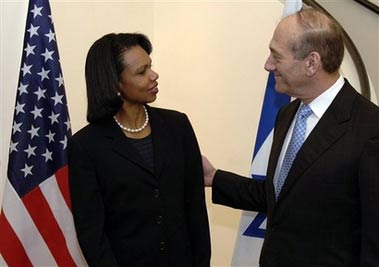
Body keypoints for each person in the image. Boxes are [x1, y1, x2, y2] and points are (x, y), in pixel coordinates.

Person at [203, 8, 379, 267]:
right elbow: (283, 195)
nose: (267, 64)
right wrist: (213, 177)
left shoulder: (369, 128)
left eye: (276, 56)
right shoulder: (287, 114)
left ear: (311, 62)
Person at [68, 33, 211, 267]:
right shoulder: (86, 145)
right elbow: (91, 232)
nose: (154, 76)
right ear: (115, 83)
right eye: (141, 72)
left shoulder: (178, 126)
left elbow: (195, 209)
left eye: (150, 67)